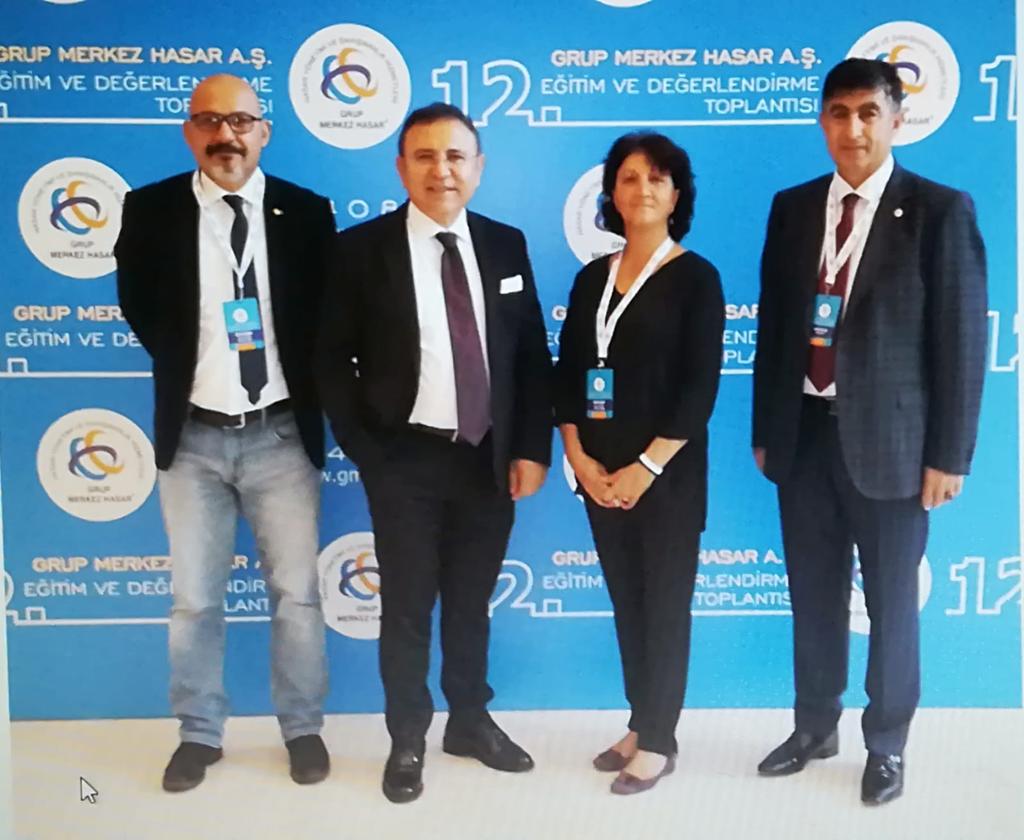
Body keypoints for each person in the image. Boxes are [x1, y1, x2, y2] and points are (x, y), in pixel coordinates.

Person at [752, 58, 987, 805]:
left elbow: (961, 342)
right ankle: (813, 727)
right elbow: (774, 327)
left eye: (867, 113)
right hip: (803, 439)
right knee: (813, 597)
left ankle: (886, 744)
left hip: (896, 448)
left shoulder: (939, 210)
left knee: (891, 609)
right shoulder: (792, 208)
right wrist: (766, 429)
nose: (852, 128)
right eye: (838, 113)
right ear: (822, 121)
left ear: (896, 120)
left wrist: (949, 454)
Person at [315, 102, 553, 804]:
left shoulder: (505, 244)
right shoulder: (361, 250)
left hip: (489, 457)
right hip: (405, 461)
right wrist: (368, 450)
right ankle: (408, 737)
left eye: (455, 156)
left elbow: (529, 354)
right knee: (408, 606)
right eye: (425, 156)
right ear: (401, 168)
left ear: (478, 167)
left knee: (472, 603)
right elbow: (330, 360)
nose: (441, 170)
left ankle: (470, 722)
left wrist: (531, 447)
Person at [115, 74, 335, 792]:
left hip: (280, 435)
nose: (225, 135)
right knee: (194, 600)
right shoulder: (150, 210)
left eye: (240, 120)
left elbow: (324, 317)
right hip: (193, 439)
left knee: (296, 594)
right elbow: (141, 310)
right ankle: (199, 733)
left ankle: (302, 729)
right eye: (209, 121)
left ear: (263, 131)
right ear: (190, 132)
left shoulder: (306, 212)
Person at [554, 132, 724, 795]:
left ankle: (659, 739)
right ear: (612, 194)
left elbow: (698, 390)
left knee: (664, 609)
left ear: (676, 195)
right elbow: (570, 375)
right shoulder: (590, 279)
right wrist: (577, 456)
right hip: (598, 476)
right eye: (629, 178)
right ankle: (639, 720)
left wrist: (645, 468)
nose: (643, 189)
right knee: (628, 605)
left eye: (657, 178)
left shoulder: (697, 279)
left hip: (666, 479)